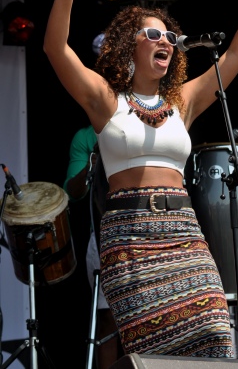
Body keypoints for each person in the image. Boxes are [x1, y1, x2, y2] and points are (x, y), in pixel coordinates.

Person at [43, 0, 238, 358]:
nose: (166, 41)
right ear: (129, 46)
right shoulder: (106, 100)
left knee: (216, 335)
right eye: (153, 34)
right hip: (129, 237)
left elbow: (237, 56)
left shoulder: (183, 101)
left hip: (184, 233)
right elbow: (55, 50)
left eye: (170, 36)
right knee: (154, 354)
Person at [63, 123, 122, 368]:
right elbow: (72, 192)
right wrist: (91, 165)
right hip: (102, 236)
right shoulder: (85, 137)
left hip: (143, 230)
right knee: (108, 320)